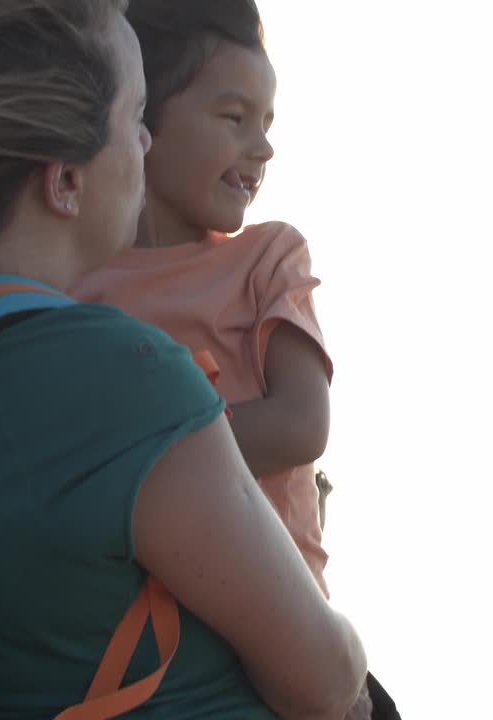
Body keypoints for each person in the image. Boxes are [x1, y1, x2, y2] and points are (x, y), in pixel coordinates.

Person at [0, 1, 367, 718]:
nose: (149, 142)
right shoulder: (118, 376)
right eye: (135, 118)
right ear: (65, 178)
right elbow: (325, 680)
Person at [71, 0, 335, 600]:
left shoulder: (269, 258)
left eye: (267, 123)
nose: (262, 148)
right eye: (235, 118)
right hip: (140, 627)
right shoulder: (75, 278)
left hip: (280, 617)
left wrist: (128, 462)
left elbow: (301, 425)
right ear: (145, 116)